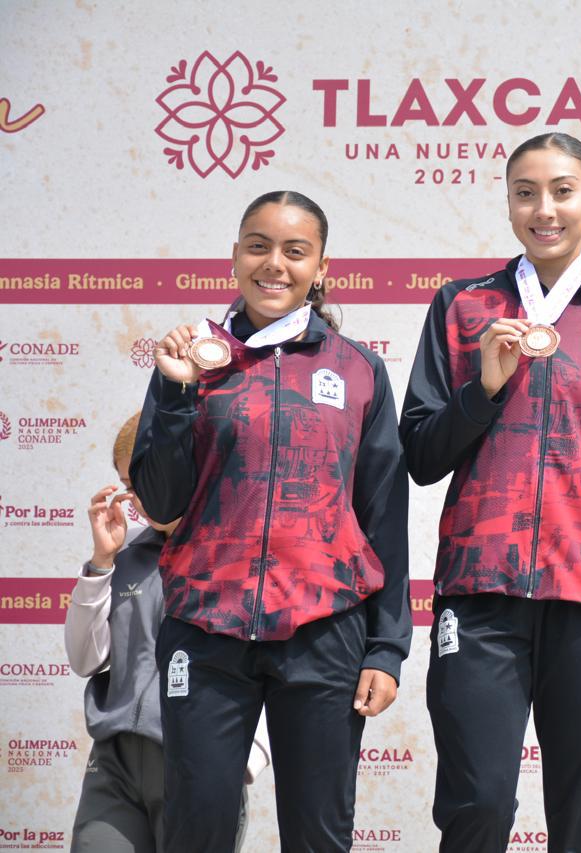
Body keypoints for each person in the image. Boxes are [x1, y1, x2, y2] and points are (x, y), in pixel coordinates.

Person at [399, 132, 581, 853]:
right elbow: (422, 453)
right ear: (508, 201)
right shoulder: (462, 307)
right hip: (480, 595)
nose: (543, 208)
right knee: (478, 804)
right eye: (526, 191)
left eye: (562, 190)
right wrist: (482, 389)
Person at [130, 190, 410, 852]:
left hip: (325, 630)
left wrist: (387, 646)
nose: (273, 264)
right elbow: (162, 503)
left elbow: (384, 516)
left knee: (318, 834)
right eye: (258, 246)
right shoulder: (193, 360)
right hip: (204, 629)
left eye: (294, 250)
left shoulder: (357, 368)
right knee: (197, 828)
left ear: (320, 267)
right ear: (234, 256)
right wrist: (172, 390)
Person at [65, 412, 270, 852]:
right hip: (115, 764)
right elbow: (85, 659)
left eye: (146, 480)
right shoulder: (126, 555)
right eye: (129, 484)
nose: (138, 499)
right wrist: (101, 564)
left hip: (203, 762)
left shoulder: (249, 556)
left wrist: (246, 757)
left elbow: (278, 665)